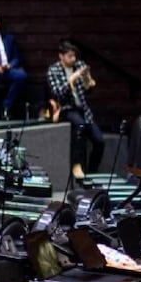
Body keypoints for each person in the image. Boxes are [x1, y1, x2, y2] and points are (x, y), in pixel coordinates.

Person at [46, 40, 105, 179]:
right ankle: (76, 164)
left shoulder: (79, 65)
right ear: (61, 56)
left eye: (74, 56)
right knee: (80, 126)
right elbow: (58, 93)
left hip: (83, 109)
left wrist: (86, 79)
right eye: (69, 56)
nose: (73, 59)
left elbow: (89, 90)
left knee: (99, 141)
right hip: (66, 109)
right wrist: (71, 80)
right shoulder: (53, 70)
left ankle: (92, 172)